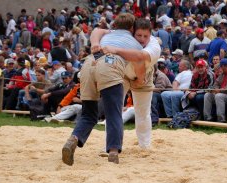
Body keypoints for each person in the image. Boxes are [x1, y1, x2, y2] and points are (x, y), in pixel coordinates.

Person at [62, 13, 144, 166]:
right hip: (110, 64)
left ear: (115, 25)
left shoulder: (109, 33)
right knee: (114, 113)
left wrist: (94, 42)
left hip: (88, 63)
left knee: (88, 114)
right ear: (132, 28)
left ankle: (73, 139)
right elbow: (140, 62)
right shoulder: (135, 43)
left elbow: (97, 31)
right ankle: (113, 151)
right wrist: (139, 81)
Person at [97, 18, 161, 149]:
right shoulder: (121, 36)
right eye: (139, 35)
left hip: (144, 76)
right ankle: (110, 145)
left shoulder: (154, 46)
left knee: (142, 112)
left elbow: (139, 57)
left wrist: (116, 50)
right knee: (114, 109)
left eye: (146, 36)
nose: (142, 39)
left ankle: (145, 146)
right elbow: (97, 32)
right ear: (132, 32)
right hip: (123, 74)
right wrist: (95, 46)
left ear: (151, 35)